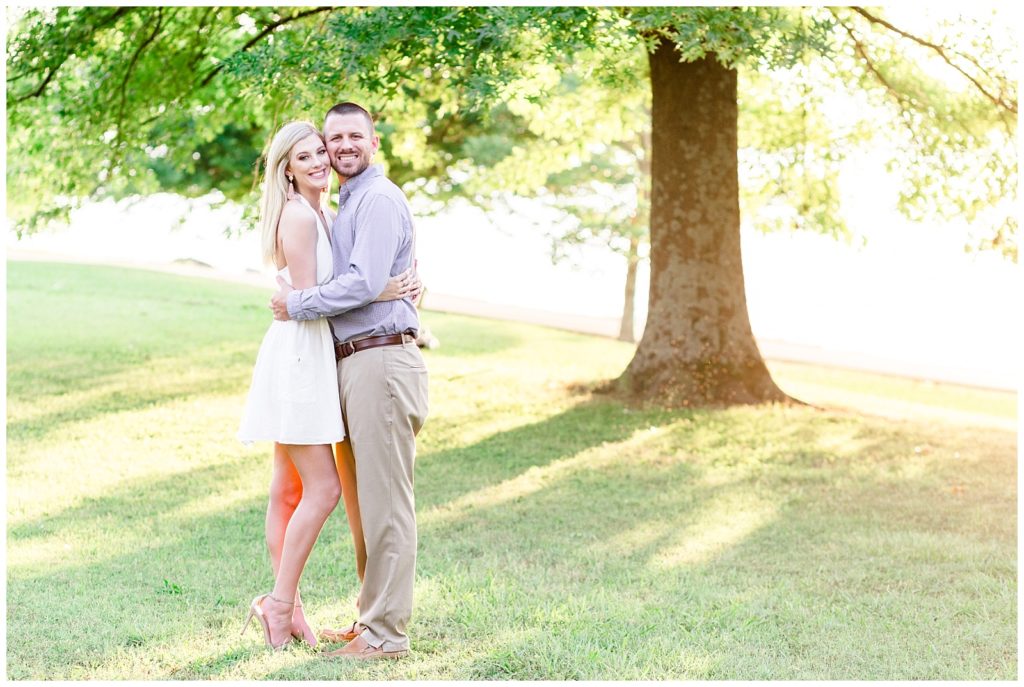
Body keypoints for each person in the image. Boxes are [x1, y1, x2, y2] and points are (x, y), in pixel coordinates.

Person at [238, 121, 418, 650]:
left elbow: (340, 283)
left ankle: (284, 608)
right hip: (300, 356)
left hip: (320, 354)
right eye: (306, 155)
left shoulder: (329, 212)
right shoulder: (298, 216)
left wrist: (393, 283)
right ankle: (280, 605)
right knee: (318, 488)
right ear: (286, 170)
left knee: (289, 486)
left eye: (322, 150)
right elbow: (315, 295)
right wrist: (381, 288)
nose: (321, 159)